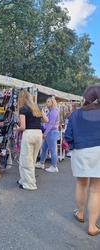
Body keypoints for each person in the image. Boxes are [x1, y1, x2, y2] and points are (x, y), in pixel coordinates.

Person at [64, 85, 100, 236]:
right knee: (96, 189)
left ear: (85, 97)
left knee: (81, 183)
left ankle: (80, 213)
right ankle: (92, 226)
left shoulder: (75, 114)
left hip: (80, 151)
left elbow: (68, 135)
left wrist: (74, 146)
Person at [17, 90, 48, 190]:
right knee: (32, 159)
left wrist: (16, 128)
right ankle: (25, 179)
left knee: (26, 160)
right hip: (38, 134)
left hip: (29, 134)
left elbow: (23, 127)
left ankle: (30, 184)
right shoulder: (37, 107)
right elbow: (46, 120)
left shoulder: (23, 109)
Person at [36, 97, 60, 172]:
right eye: (46, 102)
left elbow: (50, 124)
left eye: (48, 102)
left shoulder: (54, 112)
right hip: (50, 132)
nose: (46, 103)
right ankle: (41, 163)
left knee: (52, 150)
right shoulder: (52, 111)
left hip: (51, 132)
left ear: (52, 102)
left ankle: (54, 166)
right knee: (44, 148)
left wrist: (45, 133)